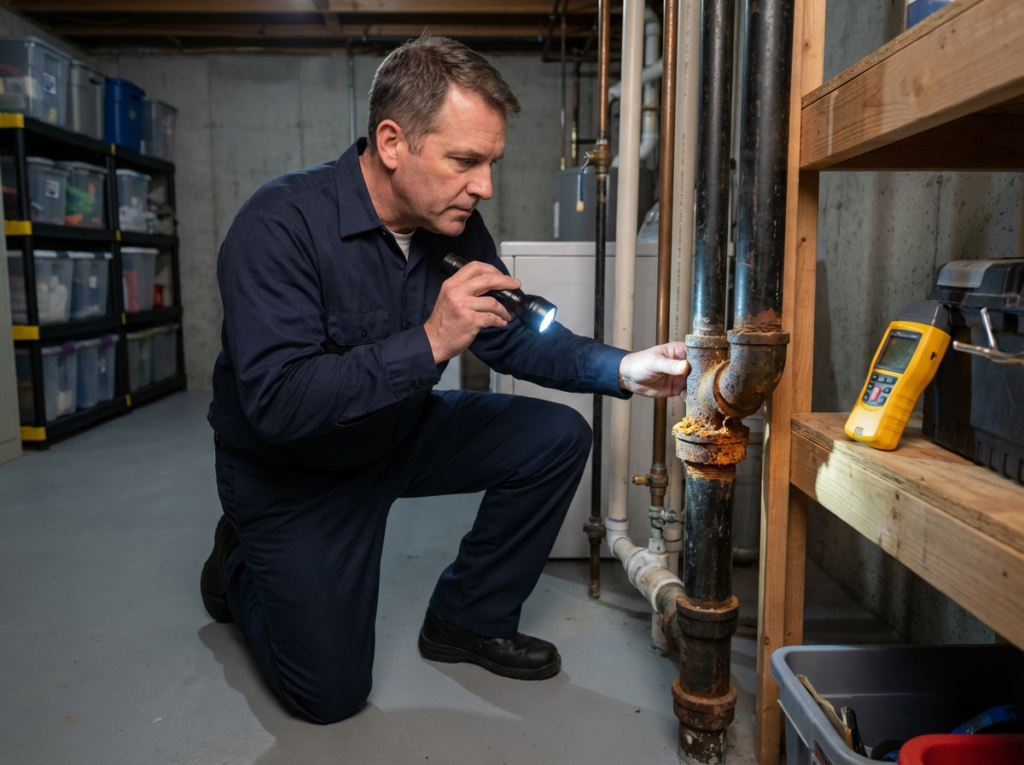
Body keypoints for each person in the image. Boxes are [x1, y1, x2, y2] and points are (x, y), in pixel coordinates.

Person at [201, 35, 689, 724]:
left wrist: (621, 367)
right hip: (295, 468)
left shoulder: (456, 226)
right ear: (392, 142)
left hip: (397, 432)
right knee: (329, 696)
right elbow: (280, 403)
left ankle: (468, 617)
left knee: (555, 436)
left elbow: (511, 332)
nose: (484, 185)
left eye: (491, 162)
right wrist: (431, 339)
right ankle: (238, 564)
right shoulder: (279, 226)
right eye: (465, 161)